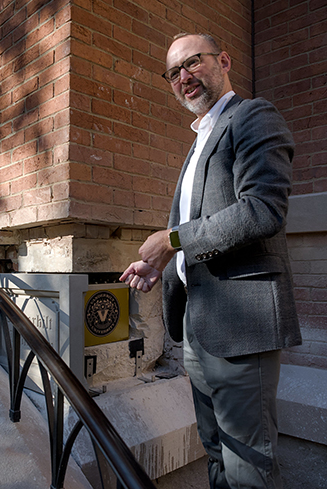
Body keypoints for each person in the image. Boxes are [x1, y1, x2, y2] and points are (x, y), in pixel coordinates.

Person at [120, 33, 302, 489]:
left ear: (222, 60)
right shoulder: (198, 141)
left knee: (247, 464)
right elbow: (199, 232)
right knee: (216, 452)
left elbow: (263, 209)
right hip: (197, 329)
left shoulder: (253, 116)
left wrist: (172, 240)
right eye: (174, 73)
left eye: (193, 63)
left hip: (242, 329)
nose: (184, 77)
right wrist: (163, 264)